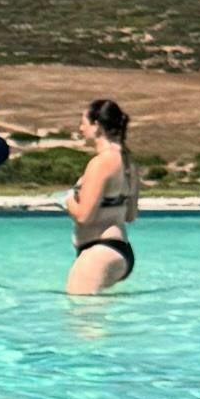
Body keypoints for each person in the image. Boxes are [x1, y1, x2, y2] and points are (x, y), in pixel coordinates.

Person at [62, 98, 140, 296]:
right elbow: (130, 215)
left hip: (100, 251)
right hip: (120, 249)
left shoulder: (101, 163)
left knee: (81, 319)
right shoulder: (128, 162)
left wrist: (67, 199)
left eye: (84, 122)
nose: (81, 128)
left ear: (96, 126)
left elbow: (83, 217)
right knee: (95, 320)